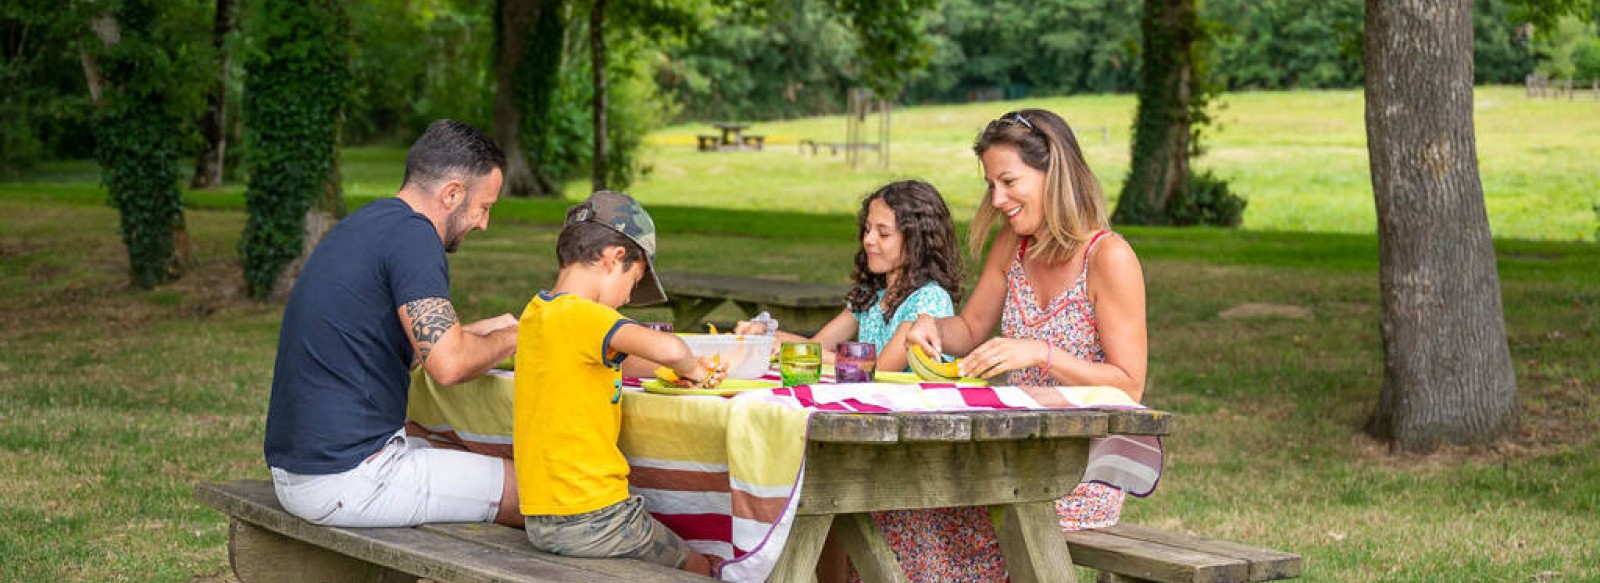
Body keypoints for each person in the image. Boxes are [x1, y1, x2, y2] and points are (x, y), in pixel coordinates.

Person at [897, 108, 1149, 580]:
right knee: (891, 514)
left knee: (924, 523)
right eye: (992, 185)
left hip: (1076, 469)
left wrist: (1039, 352)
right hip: (1010, 457)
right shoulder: (1012, 246)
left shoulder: (1108, 256)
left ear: (1054, 171)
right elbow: (970, 328)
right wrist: (931, 324)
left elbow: (1129, 385)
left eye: (1009, 182)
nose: (998, 198)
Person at [263, 119, 523, 529]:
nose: (483, 223)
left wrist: (476, 332)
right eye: (484, 208)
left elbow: (408, 349)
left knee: (456, 449)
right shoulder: (416, 238)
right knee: (544, 490)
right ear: (452, 193)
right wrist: (517, 337)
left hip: (301, 469)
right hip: (348, 478)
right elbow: (449, 364)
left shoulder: (365, 225)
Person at [514, 191, 725, 576]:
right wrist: (694, 368)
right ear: (613, 259)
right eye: (634, 280)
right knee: (703, 567)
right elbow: (669, 346)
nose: (628, 298)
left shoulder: (538, 312)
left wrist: (670, 373)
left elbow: (624, 363)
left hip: (544, 517)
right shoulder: (586, 314)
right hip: (596, 517)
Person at [735, 179, 962, 373]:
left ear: (917, 242)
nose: (869, 240)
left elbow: (880, 369)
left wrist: (803, 354)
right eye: (867, 229)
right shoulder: (872, 295)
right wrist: (769, 337)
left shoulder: (929, 300)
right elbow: (818, 346)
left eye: (883, 233)